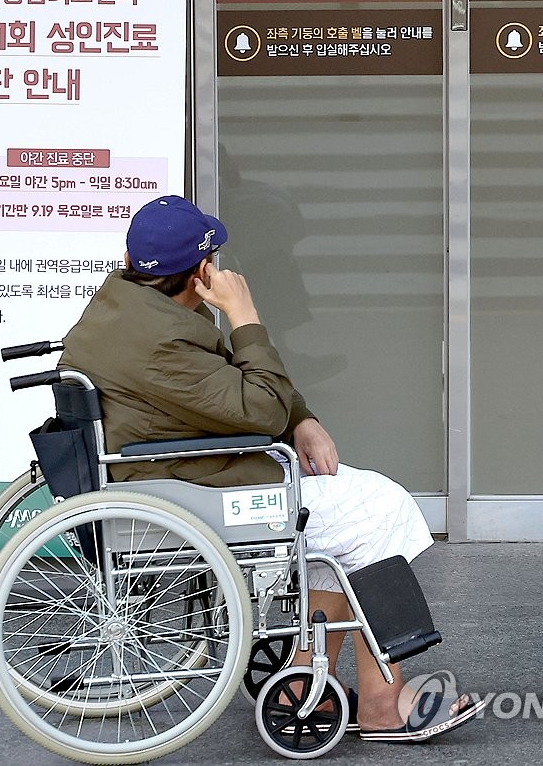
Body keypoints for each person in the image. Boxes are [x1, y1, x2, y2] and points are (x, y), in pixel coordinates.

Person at [60, 195, 485, 741]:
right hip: (192, 484)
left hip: (182, 465)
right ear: (200, 272)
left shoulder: (124, 309)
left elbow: (230, 391)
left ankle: (308, 678)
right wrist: (244, 316)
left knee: (350, 511)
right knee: (381, 507)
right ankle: (377, 700)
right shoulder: (164, 340)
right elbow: (258, 407)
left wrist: (301, 417)